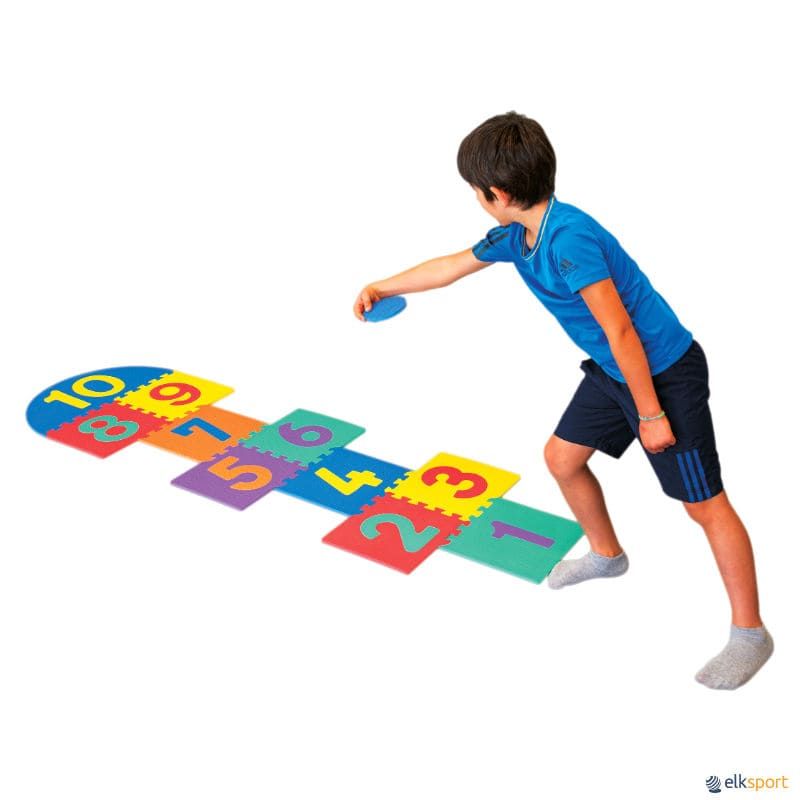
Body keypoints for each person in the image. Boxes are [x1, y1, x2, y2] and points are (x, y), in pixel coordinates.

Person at [352, 111, 773, 690]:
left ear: (498, 194)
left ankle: (750, 632)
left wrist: (651, 413)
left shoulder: (569, 238)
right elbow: (452, 266)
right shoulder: (516, 236)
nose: (475, 199)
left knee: (704, 506)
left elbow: (621, 329)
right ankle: (607, 555)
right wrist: (383, 285)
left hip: (663, 374)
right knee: (562, 458)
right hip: (615, 371)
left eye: (475, 191)